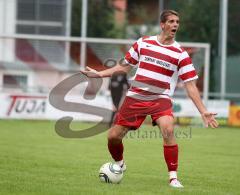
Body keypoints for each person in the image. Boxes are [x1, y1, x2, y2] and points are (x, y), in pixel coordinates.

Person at [81, 10, 218, 188]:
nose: (175, 24)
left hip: (160, 98)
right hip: (136, 96)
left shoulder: (180, 54)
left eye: (177, 22)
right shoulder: (143, 43)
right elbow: (123, 68)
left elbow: (190, 86)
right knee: (113, 136)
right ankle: (120, 164)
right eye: (171, 21)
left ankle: (173, 177)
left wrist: (203, 111)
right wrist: (99, 74)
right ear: (162, 25)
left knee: (168, 129)